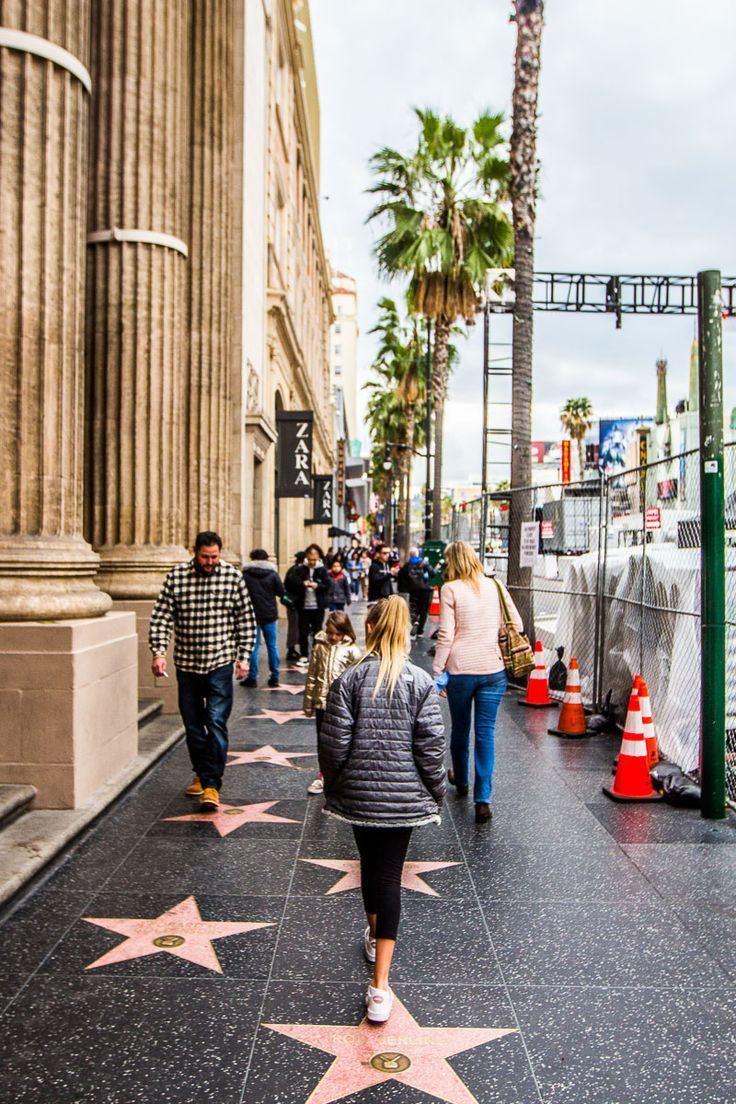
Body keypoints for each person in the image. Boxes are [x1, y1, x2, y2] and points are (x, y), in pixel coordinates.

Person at [319, 596, 445, 1023]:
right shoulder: (420, 682)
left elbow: (334, 743)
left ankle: (374, 937)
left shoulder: (350, 680)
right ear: (405, 632)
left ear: (369, 629)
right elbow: (430, 748)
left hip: (358, 794)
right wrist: (436, 790)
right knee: (389, 875)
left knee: (370, 868)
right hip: (404, 796)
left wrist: (335, 784)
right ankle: (380, 986)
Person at [149, 531, 256, 811]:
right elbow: (161, 616)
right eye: (205, 556)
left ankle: (211, 785)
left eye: (215, 557)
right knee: (194, 726)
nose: (210, 562)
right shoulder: (177, 577)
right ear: (194, 551)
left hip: (220, 663)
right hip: (186, 663)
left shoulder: (232, 577)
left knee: (216, 721)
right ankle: (200, 771)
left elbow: (245, 620)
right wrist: (159, 652)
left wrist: (243, 658)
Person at [432, 540, 523, 824]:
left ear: (453, 562)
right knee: (486, 733)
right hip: (493, 669)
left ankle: (460, 779)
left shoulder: (450, 589)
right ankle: (483, 799)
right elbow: (517, 625)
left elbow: (445, 634)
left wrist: (437, 671)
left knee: (460, 728)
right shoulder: (495, 586)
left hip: (460, 670)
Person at [303, 611, 361, 795]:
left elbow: (356, 680)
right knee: (322, 740)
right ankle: (323, 776)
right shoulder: (320, 646)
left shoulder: (353, 650)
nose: (334, 637)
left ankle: (343, 776)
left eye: (338, 634)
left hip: (342, 705)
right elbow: (312, 674)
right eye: (330, 633)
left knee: (342, 740)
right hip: (322, 703)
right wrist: (308, 702)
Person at [241, 549, 285, 688]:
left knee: (253, 647)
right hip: (269, 615)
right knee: (272, 646)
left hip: (251, 616)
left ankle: (252, 677)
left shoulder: (245, 575)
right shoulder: (272, 574)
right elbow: (281, 592)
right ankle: (275, 676)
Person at [285, 543, 329, 667]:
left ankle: (316, 654)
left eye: (314, 559)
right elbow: (292, 583)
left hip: (317, 606)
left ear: (318, 557)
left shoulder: (322, 570)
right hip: (303, 605)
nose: (312, 562)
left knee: (317, 631)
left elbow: (328, 586)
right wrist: (302, 583)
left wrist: (317, 586)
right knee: (303, 631)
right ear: (306, 557)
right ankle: (304, 654)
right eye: (310, 559)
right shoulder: (300, 569)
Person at [397, 547, 433, 638]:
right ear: (418, 554)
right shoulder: (424, 563)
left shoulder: (407, 565)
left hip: (413, 590)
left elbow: (401, 579)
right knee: (424, 610)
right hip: (425, 589)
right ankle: (420, 630)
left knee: (413, 608)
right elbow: (432, 573)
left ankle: (415, 621)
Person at [284, 551, 306, 662]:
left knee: (295, 626)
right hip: (295, 603)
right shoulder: (296, 571)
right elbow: (292, 585)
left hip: (295, 603)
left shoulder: (293, 569)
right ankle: (291, 650)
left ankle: (292, 649)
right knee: (294, 627)